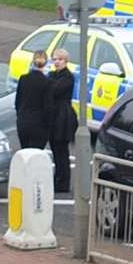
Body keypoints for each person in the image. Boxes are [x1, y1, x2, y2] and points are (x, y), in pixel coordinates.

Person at [48, 48, 80, 195]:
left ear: (66, 61)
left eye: (60, 59)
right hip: (54, 114)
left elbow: (54, 90)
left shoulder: (67, 76)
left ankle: (63, 183)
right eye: (55, 59)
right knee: (56, 150)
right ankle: (57, 180)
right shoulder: (53, 75)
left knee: (61, 151)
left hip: (63, 116)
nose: (57, 62)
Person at [13, 50, 52, 152]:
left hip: (23, 122)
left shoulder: (23, 79)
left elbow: (17, 102)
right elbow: (48, 108)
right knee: (35, 157)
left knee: (25, 154)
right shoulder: (47, 82)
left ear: (33, 61)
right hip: (39, 125)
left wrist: (20, 116)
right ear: (46, 63)